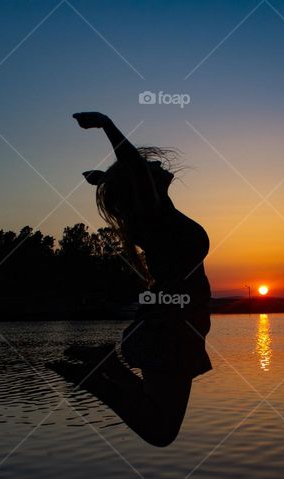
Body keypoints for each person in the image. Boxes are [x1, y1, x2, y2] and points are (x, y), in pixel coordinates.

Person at [47, 112, 212, 447]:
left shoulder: (159, 213)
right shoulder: (153, 215)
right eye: (146, 166)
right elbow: (134, 168)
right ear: (139, 184)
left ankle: (103, 368)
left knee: (158, 423)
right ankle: (97, 377)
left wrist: (105, 178)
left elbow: (133, 172)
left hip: (176, 323)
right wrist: (106, 125)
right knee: (159, 431)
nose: (153, 163)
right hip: (171, 326)